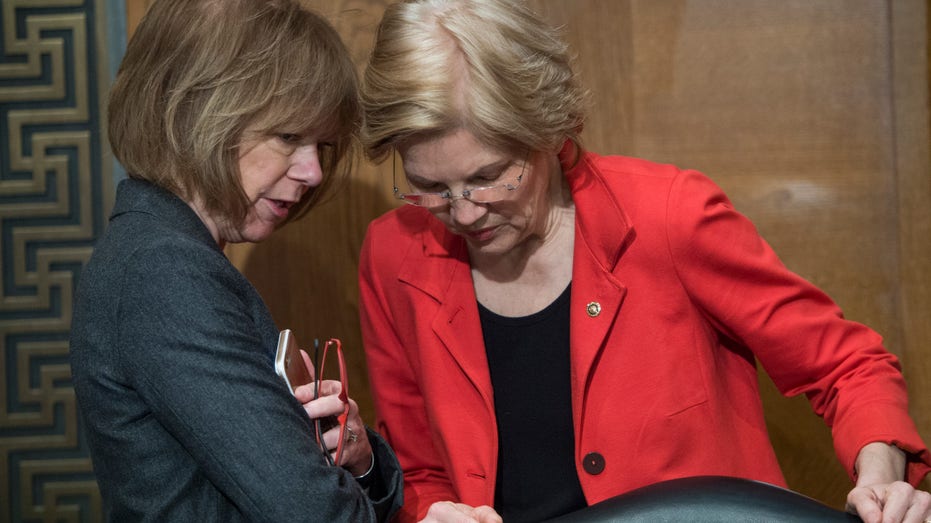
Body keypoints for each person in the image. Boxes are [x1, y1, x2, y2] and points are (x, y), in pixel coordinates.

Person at [355, 1, 931, 522]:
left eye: (488, 178)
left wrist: (881, 476)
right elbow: (420, 471)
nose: (463, 212)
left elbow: (847, 367)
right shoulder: (393, 255)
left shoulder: (669, 216)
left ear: (549, 131)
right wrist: (432, 513)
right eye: (430, 186)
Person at [68, 0, 403, 520]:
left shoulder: (167, 254)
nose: (313, 171)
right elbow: (308, 511)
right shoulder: (163, 269)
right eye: (289, 137)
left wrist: (356, 460)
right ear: (196, 112)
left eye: (321, 144)